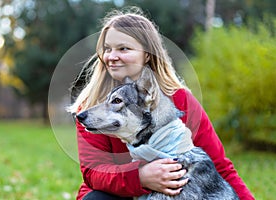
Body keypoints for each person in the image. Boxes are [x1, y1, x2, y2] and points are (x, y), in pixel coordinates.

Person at [71, 6, 254, 200]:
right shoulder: (91, 106)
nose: (112, 56)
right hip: (117, 194)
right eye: (107, 49)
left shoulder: (180, 99)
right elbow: (94, 171)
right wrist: (140, 177)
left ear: (147, 54)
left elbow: (220, 167)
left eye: (123, 48)